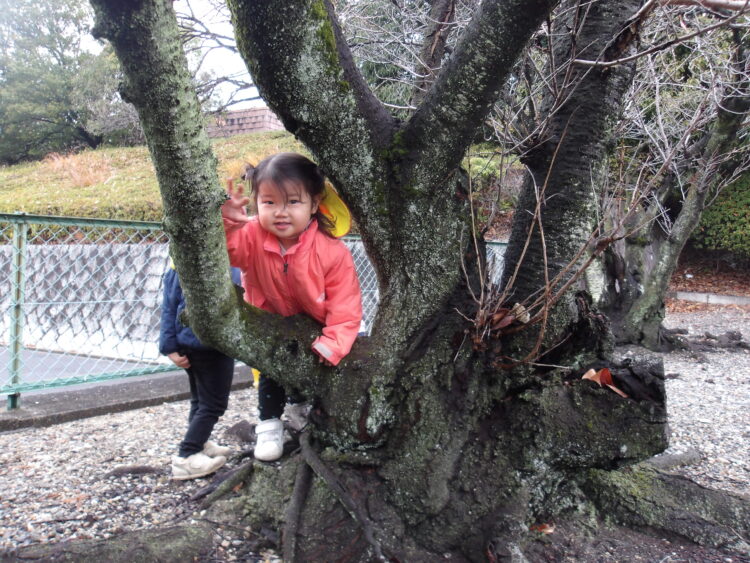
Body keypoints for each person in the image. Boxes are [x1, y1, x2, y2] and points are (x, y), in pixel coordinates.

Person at [221, 152, 363, 462]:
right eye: (269, 202)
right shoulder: (251, 236)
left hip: (316, 329)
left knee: (318, 370)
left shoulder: (331, 251)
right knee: (271, 372)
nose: (281, 213)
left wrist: (334, 341)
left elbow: (346, 303)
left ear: (314, 204)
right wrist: (229, 223)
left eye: (293, 202)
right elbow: (229, 252)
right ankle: (269, 425)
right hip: (269, 322)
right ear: (257, 203)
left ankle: (304, 409)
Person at [159, 261, 242, 480]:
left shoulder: (180, 262)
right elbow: (170, 303)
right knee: (213, 405)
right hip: (209, 346)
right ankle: (187, 455)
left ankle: (200, 442)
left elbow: (169, 304)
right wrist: (169, 346)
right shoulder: (214, 261)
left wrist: (169, 345)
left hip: (191, 342)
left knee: (200, 400)